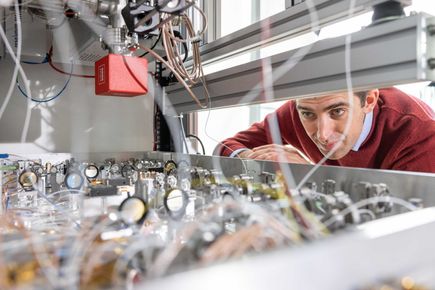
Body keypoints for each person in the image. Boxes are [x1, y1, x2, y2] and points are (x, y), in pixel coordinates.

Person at [217, 87, 435, 173]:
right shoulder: (294, 112)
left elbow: (406, 221)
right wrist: (255, 158)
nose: (322, 134)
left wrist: (309, 174)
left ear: (368, 101)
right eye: (308, 114)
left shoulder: (419, 133)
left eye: (337, 111)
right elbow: (224, 147)